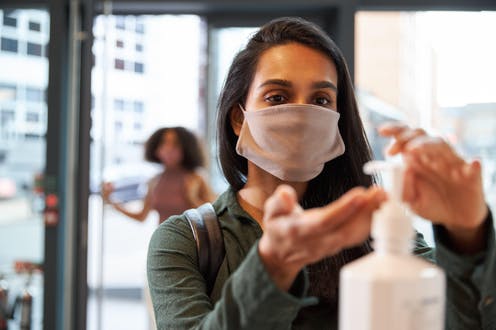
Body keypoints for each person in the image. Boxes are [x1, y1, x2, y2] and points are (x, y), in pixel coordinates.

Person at [147, 17, 495, 330]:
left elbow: (460, 318)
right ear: (238, 118)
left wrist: (468, 234)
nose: (300, 113)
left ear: (338, 120)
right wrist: (272, 268)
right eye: (277, 96)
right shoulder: (186, 242)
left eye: (321, 100)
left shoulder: (372, 232)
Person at [102, 126, 216, 223]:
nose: (168, 149)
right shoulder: (155, 181)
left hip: (191, 245)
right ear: (156, 149)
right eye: (163, 143)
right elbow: (141, 216)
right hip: (163, 244)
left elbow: (213, 216)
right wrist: (112, 201)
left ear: (185, 149)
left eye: (175, 144)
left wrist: (192, 199)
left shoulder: (196, 178)